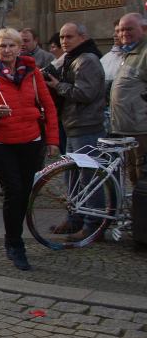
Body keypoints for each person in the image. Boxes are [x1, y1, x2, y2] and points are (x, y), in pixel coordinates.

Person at [0, 28, 59, 270]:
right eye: (2, 46)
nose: (7, 50)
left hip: (31, 140)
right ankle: (14, 244)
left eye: (11, 46)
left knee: (26, 192)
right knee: (13, 191)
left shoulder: (32, 73)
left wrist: (52, 139)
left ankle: (14, 237)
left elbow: (49, 106)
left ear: (20, 47)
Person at [44, 22, 107, 240]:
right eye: (62, 37)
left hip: (86, 127)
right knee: (72, 177)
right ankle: (75, 219)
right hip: (73, 125)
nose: (64, 41)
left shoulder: (87, 59)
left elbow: (85, 93)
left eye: (69, 37)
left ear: (82, 37)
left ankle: (92, 225)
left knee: (88, 178)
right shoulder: (73, 58)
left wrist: (58, 86)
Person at [109, 12, 147, 182]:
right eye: (121, 30)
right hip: (127, 129)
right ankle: (136, 208)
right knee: (133, 174)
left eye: (129, 29)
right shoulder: (128, 53)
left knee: (142, 175)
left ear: (143, 29)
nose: (124, 33)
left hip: (141, 129)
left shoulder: (144, 53)